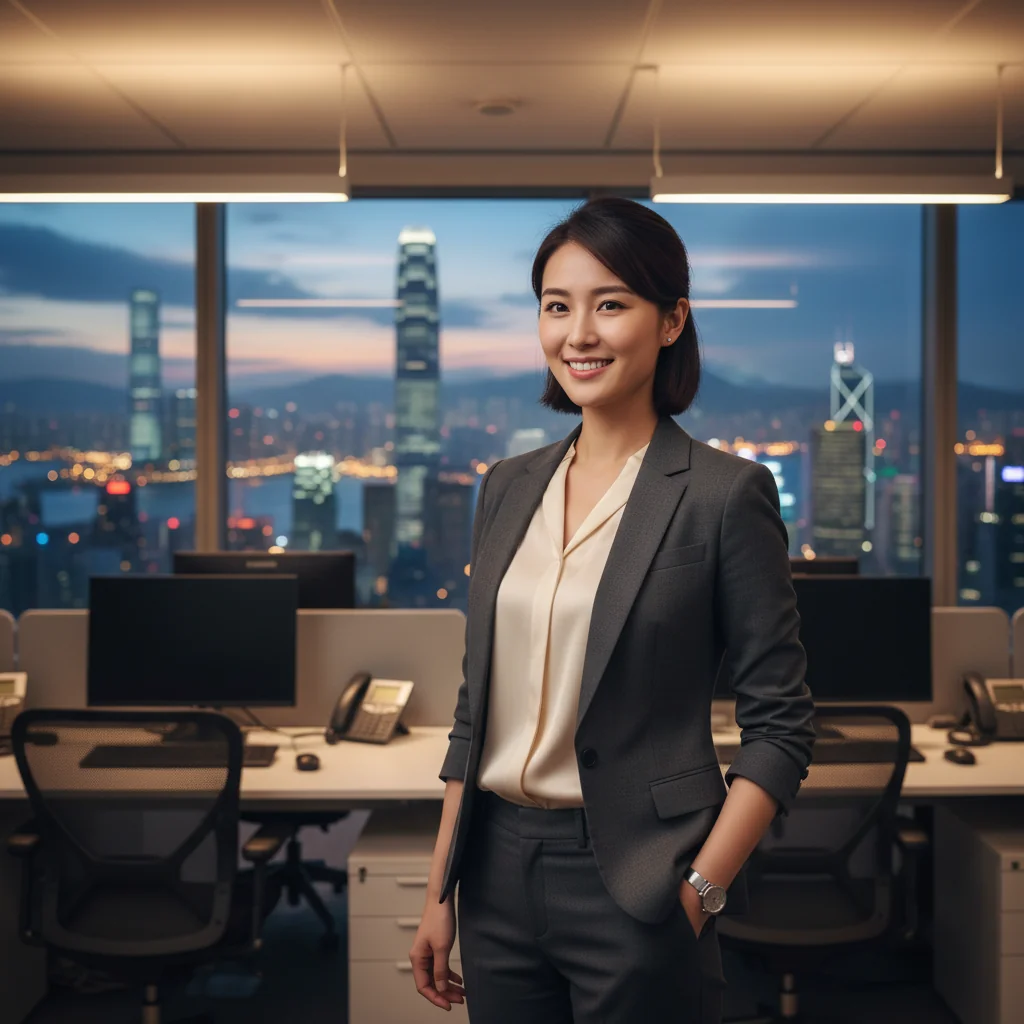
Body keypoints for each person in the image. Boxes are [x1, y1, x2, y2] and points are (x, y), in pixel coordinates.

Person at [409, 196, 816, 1023]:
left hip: (637, 879)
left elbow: (781, 726)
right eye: (557, 307)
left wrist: (700, 892)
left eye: (611, 303)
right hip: (494, 875)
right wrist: (439, 890)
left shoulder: (722, 494)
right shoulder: (506, 487)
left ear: (672, 321)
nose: (578, 334)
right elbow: (473, 715)